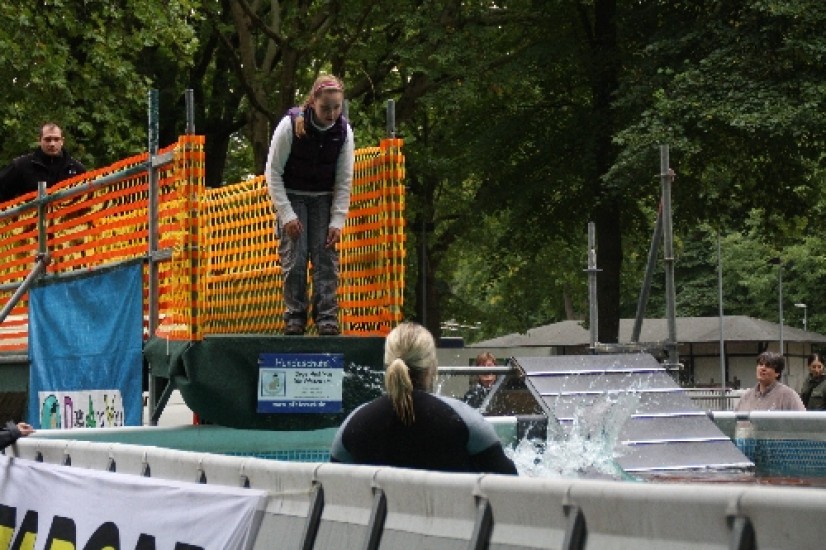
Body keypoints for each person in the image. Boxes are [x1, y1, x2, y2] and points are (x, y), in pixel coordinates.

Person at [330, 322, 518, 474]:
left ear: (387, 364)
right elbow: (509, 484)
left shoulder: (353, 425)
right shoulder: (463, 420)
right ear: (432, 367)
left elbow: (332, 490)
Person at [265, 74, 355, 336]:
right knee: (295, 258)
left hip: (324, 198)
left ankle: (327, 317)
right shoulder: (290, 126)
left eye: (336, 108)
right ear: (313, 102)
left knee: (326, 259)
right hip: (292, 195)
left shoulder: (343, 132)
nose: (331, 114)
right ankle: (295, 316)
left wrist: (337, 220)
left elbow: (344, 180)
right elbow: (272, 172)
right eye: (325, 108)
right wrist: (287, 215)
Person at [0, 122, 86, 202]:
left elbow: (85, 199)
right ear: (39, 140)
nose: (52, 144)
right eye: (48, 140)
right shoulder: (21, 165)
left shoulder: (76, 169)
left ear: (62, 141)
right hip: (31, 212)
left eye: (56, 139)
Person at [735, 351, 805, 412]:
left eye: (768, 366)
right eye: (760, 364)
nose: (763, 368)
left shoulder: (788, 396)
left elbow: (802, 420)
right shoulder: (747, 397)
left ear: (777, 373)